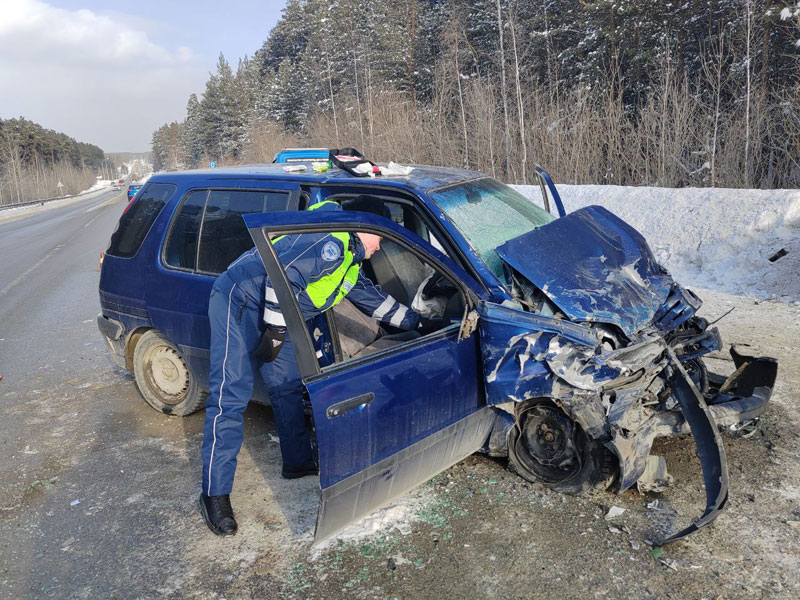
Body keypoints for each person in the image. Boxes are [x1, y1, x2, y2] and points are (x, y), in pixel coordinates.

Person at [199, 196, 426, 536]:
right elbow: (281, 279)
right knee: (231, 395)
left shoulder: (349, 260)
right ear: (362, 227)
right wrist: (275, 333)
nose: (380, 248)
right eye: (379, 237)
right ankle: (214, 495)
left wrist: (418, 324)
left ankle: (297, 461)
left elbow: (372, 299)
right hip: (241, 300)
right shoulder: (329, 241)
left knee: (287, 383)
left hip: (279, 311)